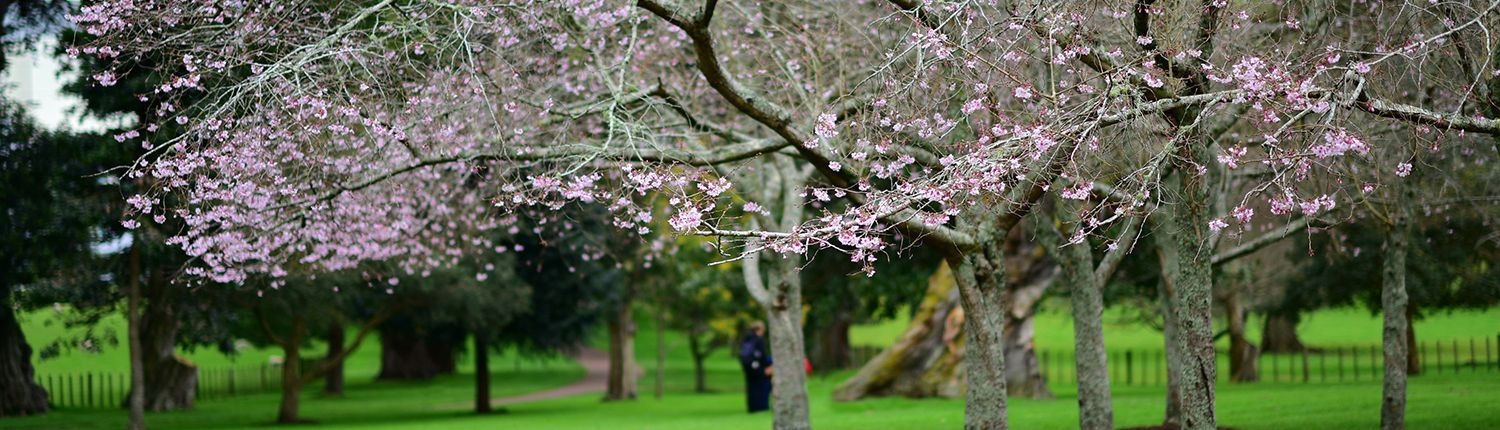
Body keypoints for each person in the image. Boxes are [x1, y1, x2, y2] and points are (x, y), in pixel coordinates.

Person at [738, 321, 772, 413]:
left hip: (749, 370)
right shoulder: (758, 340)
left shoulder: (747, 339)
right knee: (762, 388)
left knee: (752, 389)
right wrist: (766, 368)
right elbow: (762, 357)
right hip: (760, 370)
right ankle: (761, 407)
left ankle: (753, 407)